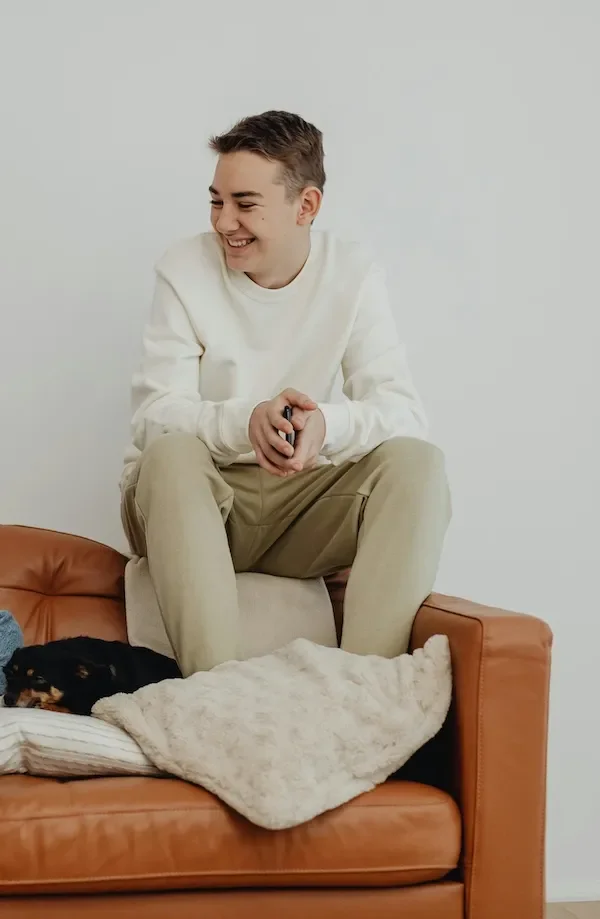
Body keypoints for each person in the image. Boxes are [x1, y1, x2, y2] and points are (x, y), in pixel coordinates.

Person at [121, 110, 452, 678]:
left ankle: (363, 696)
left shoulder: (353, 273)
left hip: (297, 502)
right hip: (193, 500)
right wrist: (245, 420)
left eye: (245, 204)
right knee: (173, 453)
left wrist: (326, 423)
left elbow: (404, 414)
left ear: (307, 207)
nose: (225, 221)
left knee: (417, 463)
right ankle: (217, 694)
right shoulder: (184, 268)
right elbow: (154, 418)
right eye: (216, 201)